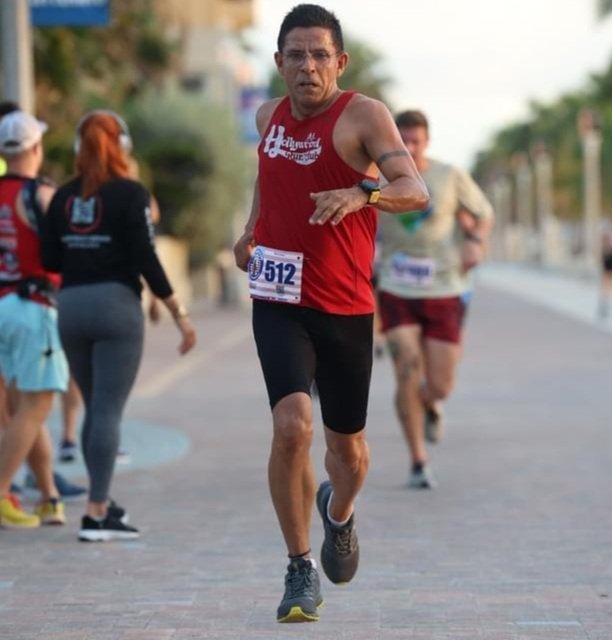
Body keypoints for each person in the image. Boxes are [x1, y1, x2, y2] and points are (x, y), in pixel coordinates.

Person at [233, 4, 428, 623]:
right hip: (278, 300)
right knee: (292, 427)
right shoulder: (268, 116)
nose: (308, 65)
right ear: (279, 62)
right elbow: (269, 176)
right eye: (296, 54)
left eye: (320, 54)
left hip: (345, 305)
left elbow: (413, 189)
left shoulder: (363, 115)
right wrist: (250, 231)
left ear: (339, 62)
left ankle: (338, 514)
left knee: (350, 454)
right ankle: (298, 568)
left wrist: (361, 191)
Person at [42, 110, 196, 542]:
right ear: (123, 148)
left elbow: (50, 259)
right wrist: (178, 313)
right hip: (115, 306)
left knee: (96, 409)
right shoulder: (131, 194)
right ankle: (95, 513)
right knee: (108, 411)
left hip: (69, 306)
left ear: (77, 149)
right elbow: (146, 257)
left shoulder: (63, 197)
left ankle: (102, 502)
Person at [377, 109, 493, 489]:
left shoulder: (448, 175)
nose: (409, 148)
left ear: (427, 141)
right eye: (403, 141)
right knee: (407, 369)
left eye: (416, 141)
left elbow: (482, 213)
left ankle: (431, 403)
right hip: (396, 288)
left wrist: (475, 243)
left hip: (445, 288)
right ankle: (418, 460)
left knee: (440, 383)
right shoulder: (378, 177)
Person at [0, 111, 69, 528]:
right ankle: (3, 488)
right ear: (36, 149)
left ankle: (49, 497)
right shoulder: (41, 194)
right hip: (34, 305)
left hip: (3, 301)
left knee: (27, 404)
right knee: (38, 403)